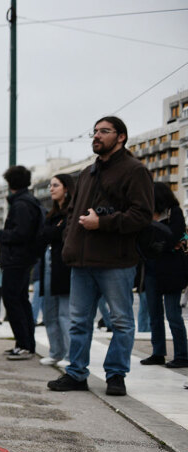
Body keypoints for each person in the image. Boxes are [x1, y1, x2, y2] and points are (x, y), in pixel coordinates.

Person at [48, 116, 153, 395]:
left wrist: (103, 223)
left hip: (116, 261)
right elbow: (72, 213)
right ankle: (76, 373)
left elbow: (142, 215)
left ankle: (116, 375)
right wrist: (69, 242)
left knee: (120, 320)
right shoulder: (86, 173)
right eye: (95, 131)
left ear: (121, 137)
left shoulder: (135, 171)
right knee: (79, 321)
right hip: (81, 261)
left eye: (104, 131)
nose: (97, 136)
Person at [0, 165, 43, 361]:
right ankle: (26, 344)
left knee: (13, 300)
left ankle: (23, 345)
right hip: (23, 258)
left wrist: (0, 235)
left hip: (16, 259)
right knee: (21, 301)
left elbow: (21, 233)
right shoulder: (29, 201)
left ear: (10, 183)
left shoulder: (21, 204)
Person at [139, 183, 188, 369]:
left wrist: (161, 244)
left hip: (172, 270)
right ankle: (158, 352)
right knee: (154, 314)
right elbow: (143, 239)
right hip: (152, 268)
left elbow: (175, 236)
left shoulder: (173, 211)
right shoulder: (147, 214)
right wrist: (162, 243)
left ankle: (182, 355)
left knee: (173, 314)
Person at [39, 174, 73, 367]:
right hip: (49, 262)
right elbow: (44, 235)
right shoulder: (51, 215)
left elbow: (55, 234)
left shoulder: (70, 213)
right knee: (49, 312)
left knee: (65, 313)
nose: (51, 189)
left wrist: (53, 232)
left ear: (66, 188)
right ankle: (56, 351)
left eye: (55, 185)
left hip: (63, 265)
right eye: (50, 185)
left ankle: (68, 354)